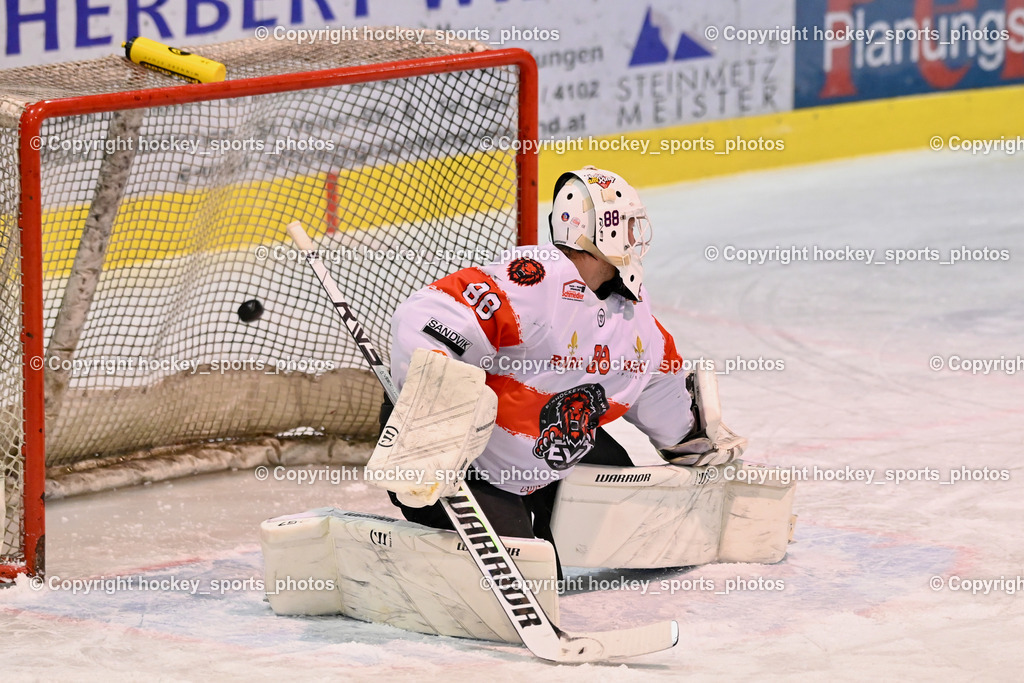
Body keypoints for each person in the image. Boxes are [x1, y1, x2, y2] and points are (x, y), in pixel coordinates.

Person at [382, 165, 741, 551]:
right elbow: (427, 317)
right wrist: (433, 424)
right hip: (466, 462)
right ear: (606, 230)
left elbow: (656, 381)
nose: (635, 238)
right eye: (629, 225)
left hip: (546, 447)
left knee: (622, 501)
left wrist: (693, 441)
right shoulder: (536, 280)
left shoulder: (634, 312)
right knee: (530, 572)